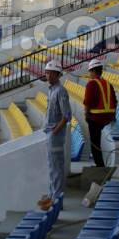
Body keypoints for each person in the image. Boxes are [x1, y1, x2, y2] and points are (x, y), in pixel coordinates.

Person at [37, 60, 71, 211]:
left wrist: (54, 131)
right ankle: (52, 197)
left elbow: (66, 115)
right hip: (50, 132)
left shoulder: (61, 91)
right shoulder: (51, 90)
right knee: (52, 168)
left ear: (57, 75)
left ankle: (57, 201)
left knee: (56, 168)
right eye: (46, 72)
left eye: (50, 73)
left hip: (54, 135)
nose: (47, 75)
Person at [83, 59, 117, 167]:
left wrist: (86, 115)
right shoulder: (108, 84)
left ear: (93, 71)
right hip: (109, 117)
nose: (90, 74)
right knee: (96, 141)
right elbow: (115, 101)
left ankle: (100, 166)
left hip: (96, 118)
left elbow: (88, 102)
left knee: (95, 143)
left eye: (90, 71)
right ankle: (100, 164)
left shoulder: (91, 84)